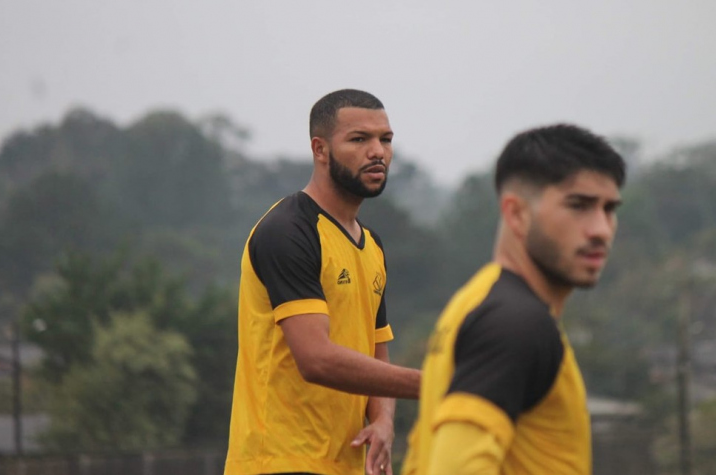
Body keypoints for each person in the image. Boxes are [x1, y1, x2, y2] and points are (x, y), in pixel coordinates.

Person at [401, 124, 626, 475]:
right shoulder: (516, 324)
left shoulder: (476, 300)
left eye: (609, 209)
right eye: (578, 205)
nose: (600, 229)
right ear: (517, 213)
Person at [225, 89, 421, 475]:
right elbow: (315, 359)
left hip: (344, 465)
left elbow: (376, 350)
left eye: (386, 139)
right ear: (320, 149)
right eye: (359, 139)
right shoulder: (288, 231)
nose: (377, 152)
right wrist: (434, 385)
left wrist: (383, 421)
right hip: (280, 461)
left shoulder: (373, 246)